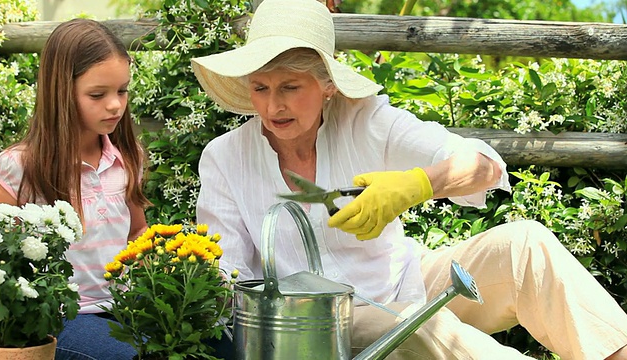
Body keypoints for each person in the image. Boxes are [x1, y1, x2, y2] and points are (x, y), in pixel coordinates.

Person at [191, 0, 627, 359]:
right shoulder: (225, 158)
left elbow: (484, 165)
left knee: (525, 246)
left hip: (407, 279)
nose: (273, 107)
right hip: (319, 322)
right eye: (260, 88)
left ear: (327, 85)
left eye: (290, 87)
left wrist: (418, 184)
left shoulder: (369, 121)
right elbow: (228, 281)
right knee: (418, 325)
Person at [0, 19, 150, 359]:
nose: (115, 105)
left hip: (123, 305)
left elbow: (137, 231)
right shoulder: (21, 165)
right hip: (61, 317)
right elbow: (0, 261)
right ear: (61, 91)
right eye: (98, 94)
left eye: (122, 90)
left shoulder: (128, 158)